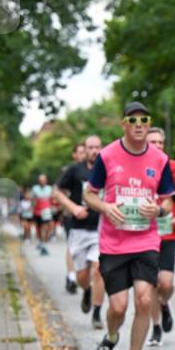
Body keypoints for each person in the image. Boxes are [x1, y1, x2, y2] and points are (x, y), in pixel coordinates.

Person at [84, 102, 175, 350]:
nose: (138, 124)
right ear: (123, 123)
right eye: (132, 120)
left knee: (145, 299)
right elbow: (89, 194)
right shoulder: (108, 155)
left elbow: (169, 201)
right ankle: (111, 337)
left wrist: (158, 210)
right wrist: (105, 208)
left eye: (144, 120)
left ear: (149, 125)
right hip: (114, 243)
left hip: (146, 240)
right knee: (119, 308)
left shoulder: (159, 160)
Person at [55, 135, 106, 329]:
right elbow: (57, 192)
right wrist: (74, 208)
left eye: (97, 147)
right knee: (82, 276)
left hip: (101, 228)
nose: (94, 151)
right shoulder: (75, 170)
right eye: (90, 148)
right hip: (79, 229)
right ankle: (86, 290)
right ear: (84, 150)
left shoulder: (107, 168)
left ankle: (97, 313)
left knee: (99, 270)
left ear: (102, 148)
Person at [145, 127, 175, 347]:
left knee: (166, 283)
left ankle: (163, 304)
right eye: (153, 142)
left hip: (168, 231)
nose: (158, 146)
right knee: (151, 283)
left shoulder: (172, 167)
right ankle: (156, 327)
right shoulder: (139, 165)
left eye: (161, 142)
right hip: (145, 233)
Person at [64, 143, 86, 294]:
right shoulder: (71, 171)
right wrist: (71, 208)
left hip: (91, 217)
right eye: (80, 152)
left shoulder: (95, 171)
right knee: (72, 246)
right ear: (74, 155)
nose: (83, 155)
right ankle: (72, 276)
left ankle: (83, 278)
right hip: (73, 216)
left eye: (85, 152)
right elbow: (60, 192)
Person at [32, 174, 54, 255]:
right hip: (37, 211)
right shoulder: (35, 188)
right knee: (38, 228)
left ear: (46, 181)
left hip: (46, 211)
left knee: (46, 227)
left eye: (43, 180)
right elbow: (33, 200)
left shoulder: (50, 188)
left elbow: (52, 199)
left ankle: (44, 244)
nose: (42, 182)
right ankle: (40, 241)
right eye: (40, 180)